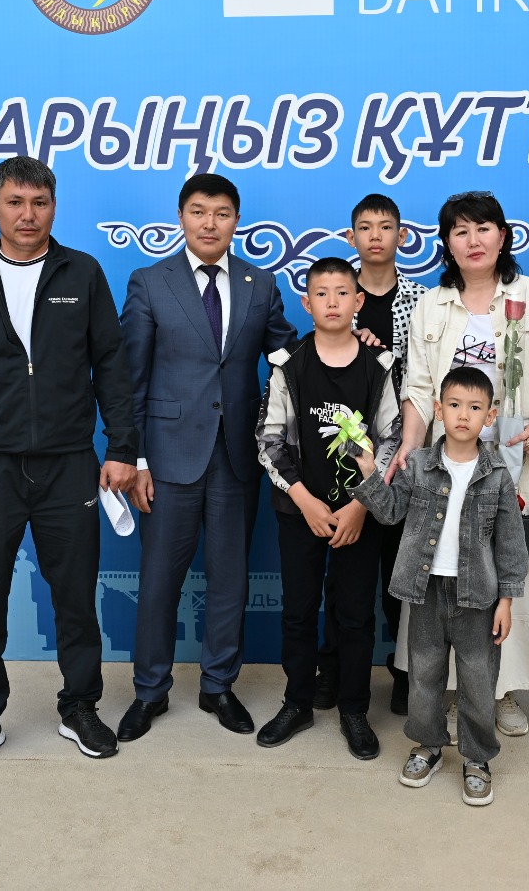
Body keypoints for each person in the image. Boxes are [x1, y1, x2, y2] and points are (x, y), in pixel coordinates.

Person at [0, 155, 138, 778]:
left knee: (75, 598)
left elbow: (112, 366)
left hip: (68, 465)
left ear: (54, 207)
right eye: (15, 202)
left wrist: (122, 447)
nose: (27, 215)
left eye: (39, 203)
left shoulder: (82, 272)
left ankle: (79, 707)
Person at [388, 191, 529, 738]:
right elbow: (418, 388)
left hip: (519, 462)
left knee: (511, 572)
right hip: (448, 468)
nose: (473, 241)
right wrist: (410, 446)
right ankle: (453, 693)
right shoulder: (431, 306)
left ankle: (503, 690)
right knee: (445, 573)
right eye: (460, 231)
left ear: (502, 236)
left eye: (483, 228)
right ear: (447, 243)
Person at [117, 173, 299, 742]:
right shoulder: (150, 282)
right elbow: (130, 378)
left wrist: (349, 344)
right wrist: (135, 459)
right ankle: (150, 690)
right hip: (167, 457)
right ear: (181, 217)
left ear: (235, 221)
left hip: (236, 456)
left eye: (221, 213)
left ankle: (218, 685)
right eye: (198, 212)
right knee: (158, 581)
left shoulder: (259, 283)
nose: (209, 223)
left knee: (230, 580)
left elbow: (288, 355)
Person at [353, 366, 526, 806]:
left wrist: (506, 600)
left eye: (474, 407)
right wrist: (371, 471)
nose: (463, 415)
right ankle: (428, 745)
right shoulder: (418, 465)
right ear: (437, 410)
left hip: (478, 596)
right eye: (454, 405)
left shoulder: (497, 475)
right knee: (425, 675)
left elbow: (510, 544)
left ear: (489, 416)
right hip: (426, 590)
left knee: (478, 680)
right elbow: (390, 512)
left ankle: (477, 758)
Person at [255, 257, 401, 758]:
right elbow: (269, 440)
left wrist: (362, 504)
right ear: (306, 303)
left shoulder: (379, 366)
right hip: (301, 511)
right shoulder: (287, 364)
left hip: (359, 514)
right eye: (322, 293)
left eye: (343, 293)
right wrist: (304, 500)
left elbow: (392, 439)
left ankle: (354, 709)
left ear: (359, 301)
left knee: (355, 614)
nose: (333, 302)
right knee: (298, 611)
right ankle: (297, 702)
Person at [311, 193, 428, 716]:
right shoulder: (338, 294)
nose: (375, 235)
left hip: (408, 456)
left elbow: (429, 377)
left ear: (402, 236)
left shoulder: (424, 301)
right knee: (345, 574)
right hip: (345, 458)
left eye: (385, 226)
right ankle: (332, 668)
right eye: (365, 226)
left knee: (404, 572)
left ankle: (405, 674)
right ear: (350, 236)